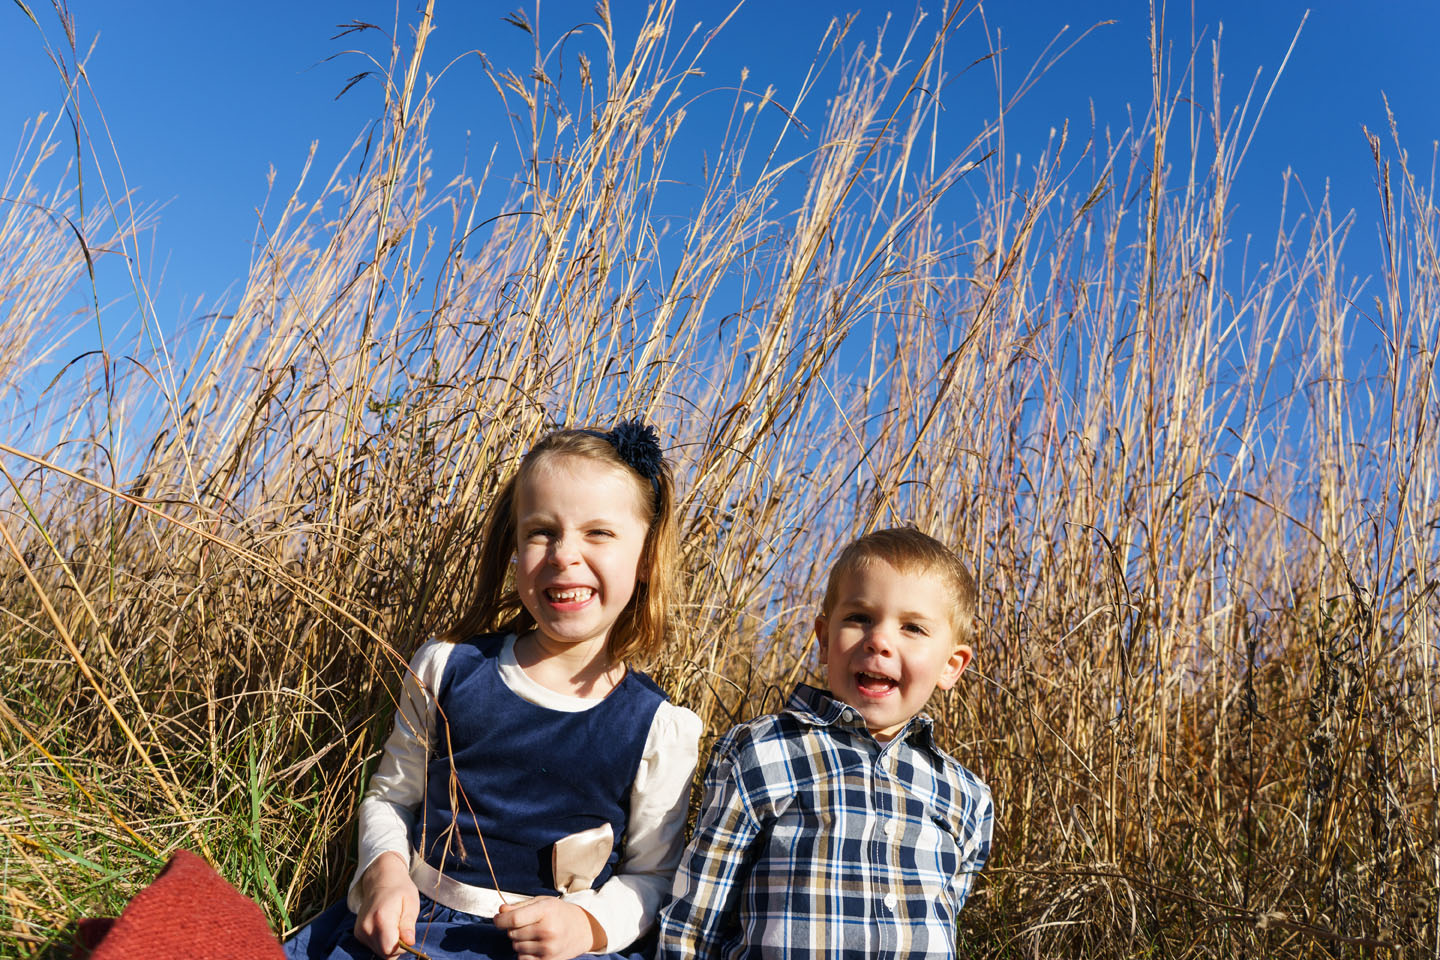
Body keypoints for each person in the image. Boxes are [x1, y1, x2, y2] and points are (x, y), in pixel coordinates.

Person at [287, 423, 701, 960]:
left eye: (598, 533)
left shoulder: (657, 728)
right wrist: (387, 874)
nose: (563, 554)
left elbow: (652, 876)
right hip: (419, 931)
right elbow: (392, 797)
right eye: (540, 532)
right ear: (514, 545)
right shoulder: (449, 668)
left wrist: (587, 924)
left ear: (645, 559)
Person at [658, 528, 993, 959]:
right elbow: (696, 919)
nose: (880, 640)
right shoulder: (763, 753)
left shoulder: (966, 796)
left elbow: (946, 910)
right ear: (822, 639)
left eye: (912, 627)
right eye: (859, 618)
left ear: (951, 666)